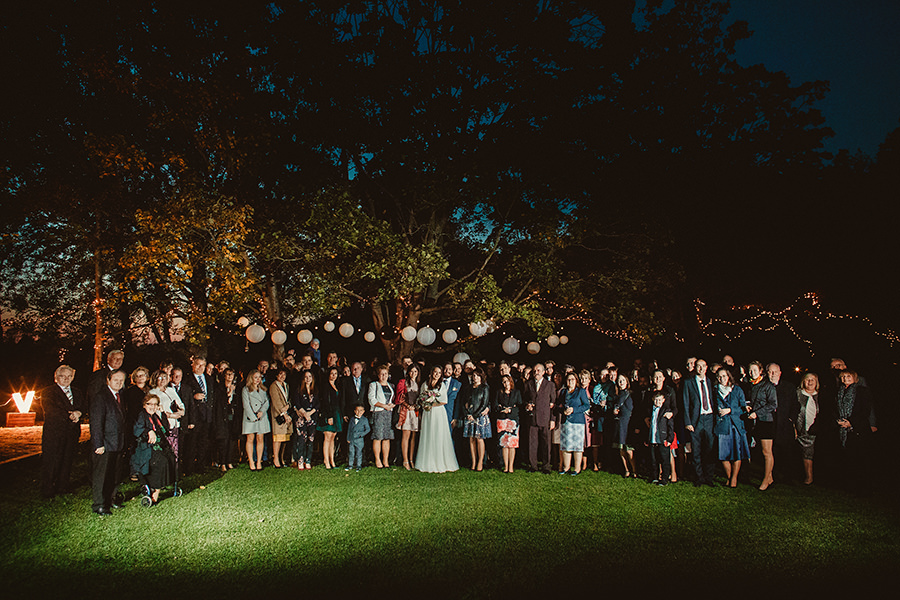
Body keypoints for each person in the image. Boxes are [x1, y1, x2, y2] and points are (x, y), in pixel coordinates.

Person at [41, 365, 85, 498]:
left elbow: (83, 406)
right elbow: (50, 410)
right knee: (52, 461)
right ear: (56, 377)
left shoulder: (77, 392)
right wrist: (70, 415)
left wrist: (79, 413)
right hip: (54, 433)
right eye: (62, 376)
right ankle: (48, 489)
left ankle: (63, 486)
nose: (66, 379)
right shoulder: (48, 392)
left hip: (72, 433)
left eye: (69, 376)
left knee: (67, 460)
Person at [90, 369, 127, 516]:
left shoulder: (120, 396)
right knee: (102, 475)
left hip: (117, 442)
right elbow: (96, 422)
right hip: (105, 443)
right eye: (116, 380)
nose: (118, 383)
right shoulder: (101, 397)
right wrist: (98, 444)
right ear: (108, 380)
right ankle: (99, 504)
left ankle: (111, 499)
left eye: (121, 380)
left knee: (114, 474)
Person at [131, 394, 174, 505]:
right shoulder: (142, 415)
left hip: (157, 446)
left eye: (155, 404)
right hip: (145, 447)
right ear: (144, 405)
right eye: (149, 404)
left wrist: (162, 412)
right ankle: (156, 491)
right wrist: (149, 431)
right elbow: (137, 430)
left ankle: (160, 487)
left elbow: (165, 429)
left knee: (170, 457)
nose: (152, 406)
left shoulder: (155, 416)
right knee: (161, 461)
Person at [415, 365, 459, 473]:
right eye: (435, 372)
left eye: (439, 373)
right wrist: (425, 403)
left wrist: (431, 404)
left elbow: (444, 401)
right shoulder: (425, 384)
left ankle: (440, 461)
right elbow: (421, 398)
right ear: (431, 373)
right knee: (428, 434)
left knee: (438, 435)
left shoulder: (441, 385)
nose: (437, 374)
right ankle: (427, 461)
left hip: (438, 413)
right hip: (427, 413)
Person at [682, 358, 716, 487]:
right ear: (695, 368)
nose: (701, 368)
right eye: (698, 366)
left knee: (710, 449)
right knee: (696, 450)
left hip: (709, 418)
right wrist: (688, 422)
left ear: (706, 368)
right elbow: (685, 403)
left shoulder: (710, 381)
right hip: (696, 420)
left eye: (703, 366)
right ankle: (699, 477)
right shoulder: (688, 382)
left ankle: (709, 477)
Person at [714, 368, 750, 488]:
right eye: (719, 376)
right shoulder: (715, 391)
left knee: (737, 454)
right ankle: (729, 476)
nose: (722, 379)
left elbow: (743, 408)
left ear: (729, 376)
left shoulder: (737, 390)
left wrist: (730, 410)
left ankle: (734, 478)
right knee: (723, 455)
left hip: (736, 426)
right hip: (722, 425)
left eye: (724, 376)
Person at [747, 360, 777, 490]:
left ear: (760, 371)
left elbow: (773, 404)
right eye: (750, 370)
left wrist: (757, 413)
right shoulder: (751, 385)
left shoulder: (768, 386)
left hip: (765, 421)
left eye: (755, 370)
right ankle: (769, 477)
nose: (752, 372)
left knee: (767, 452)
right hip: (754, 421)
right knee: (759, 450)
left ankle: (766, 480)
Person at [184, 357, 215, 474]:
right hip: (194, 416)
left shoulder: (209, 379)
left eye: (203, 365)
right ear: (193, 365)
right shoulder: (187, 379)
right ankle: (189, 468)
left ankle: (201, 467)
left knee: (203, 443)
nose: (200, 367)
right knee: (191, 443)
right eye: (198, 364)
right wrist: (193, 396)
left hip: (207, 416)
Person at [524, 362, 556, 473]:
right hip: (532, 418)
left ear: (543, 372)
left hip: (545, 418)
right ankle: (533, 465)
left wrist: (552, 419)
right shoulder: (528, 384)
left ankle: (546, 466)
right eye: (534, 371)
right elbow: (525, 399)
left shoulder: (550, 385)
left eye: (538, 370)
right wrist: (527, 406)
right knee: (532, 443)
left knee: (546, 444)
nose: (536, 372)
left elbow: (553, 404)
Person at [148, 370, 184, 462]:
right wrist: (172, 415)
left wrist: (180, 412)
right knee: (166, 452)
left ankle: (175, 469)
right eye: (160, 378)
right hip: (164, 426)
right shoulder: (152, 393)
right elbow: (156, 411)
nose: (162, 380)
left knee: (175, 452)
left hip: (175, 425)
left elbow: (180, 404)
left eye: (164, 377)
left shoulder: (171, 390)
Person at [559, 372, 590, 476]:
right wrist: (563, 410)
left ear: (576, 380)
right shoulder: (563, 392)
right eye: (568, 379)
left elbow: (586, 405)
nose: (570, 381)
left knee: (577, 447)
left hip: (577, 422)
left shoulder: (580, 391)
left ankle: (577, 468)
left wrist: (574, 409)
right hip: (566, 422)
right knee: (566, 446)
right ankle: (566, 467)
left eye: (572, 379)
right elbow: (559, 405)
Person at [793, 372, 820, 485]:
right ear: (803, 382)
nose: (810, 382)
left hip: (816, 430)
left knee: (812, 453)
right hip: (801, 430)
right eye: (807, 379)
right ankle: (807, 477)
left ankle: (813, 477)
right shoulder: (798, 394)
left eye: (813, 379)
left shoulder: (821, 396)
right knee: (804, 453)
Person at [463, 368, 491, 471]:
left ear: (481, 376)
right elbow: (465, 402)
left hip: (479, 417)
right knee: (471, 439)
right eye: (474, 375)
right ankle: (473, 462)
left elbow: (484, 403)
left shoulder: (485, 388)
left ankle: (480, 462)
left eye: (477, 375)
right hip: (470, 416)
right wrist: (468, 413)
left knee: (479, 439)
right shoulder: (468, 388)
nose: (475, 377)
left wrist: (475, 415)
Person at [241, 369, 270, 472]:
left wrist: (262, 411)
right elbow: (246, 405)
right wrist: (253, 417)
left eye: (259, 377)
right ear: (251, 378)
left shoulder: (263, 389)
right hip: (250, 418)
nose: (258, 379)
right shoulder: (246, 389)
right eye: (255, 377)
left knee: (260, 438)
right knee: (250, 438)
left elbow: (266, 402)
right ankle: (251, 461)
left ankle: (259, 462)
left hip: (261, 417)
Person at [368, 364, 395, 469]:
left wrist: (391, 405)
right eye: (382, 374)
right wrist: (384, 406)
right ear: (378, 375)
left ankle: (385, 460)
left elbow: (392, 399)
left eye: (385, 374)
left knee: (387, 437)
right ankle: (377, 459)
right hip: (378, 413)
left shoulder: (391, 386)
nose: (384, 376)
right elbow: (372, 400)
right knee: (378, 436)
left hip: (388, 413)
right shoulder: (374, 385)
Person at [494, 374, 522, 473]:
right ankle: (506, 466)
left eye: (507, 381)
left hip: (513, 420)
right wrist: (502, 409)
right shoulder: (499, 392)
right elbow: (495, 405)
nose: (505, 384)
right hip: (502, 420)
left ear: (511, 381)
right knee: (504, 444)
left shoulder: (516, 392)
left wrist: (510, 410)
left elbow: (519, 406)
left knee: (512, 444)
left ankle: (511, 467)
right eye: (504, 382)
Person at [293, 369, 320, 470]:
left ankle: (308, 460)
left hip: (312, 417)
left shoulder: (315, 390)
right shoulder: (299, 390)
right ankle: (300, 460)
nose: (308, 379)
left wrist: (310, 413)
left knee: (311, 439)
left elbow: (318, 404)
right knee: (301, 439)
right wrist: (304, 414)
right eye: (306, 377)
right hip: (301, 418)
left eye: (310, 377)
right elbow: (297, 403)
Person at [213, 367, 240, 470]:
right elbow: (219, 403)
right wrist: (228, 393)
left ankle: (229, 461)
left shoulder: (235, 388)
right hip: (221, 417)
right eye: (228, 374)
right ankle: (222, 462)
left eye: (232, 374)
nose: (230, 377)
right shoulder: (219, 389)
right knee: (223, 441)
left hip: (232, 418)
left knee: (231, 440)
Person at [396, 364, 421, 470]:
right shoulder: (403, 382)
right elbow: (399, 398)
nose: (413, 374)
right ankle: (405, 460)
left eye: (415, 371)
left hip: (415, 412)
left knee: (413, 437)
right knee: (406, 436)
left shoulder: (419, 384)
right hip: (406, 411)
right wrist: (407, 406)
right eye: (411, 371)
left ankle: (411, 459)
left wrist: (415, 406)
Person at [318, 366, 343, 470]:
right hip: (328, 413)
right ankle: (326, 460)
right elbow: (325, 402)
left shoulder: (337, 385)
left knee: (333, 437)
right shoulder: (326, 386)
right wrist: (329, 416)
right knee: (327, 437)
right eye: (332, 373)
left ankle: (332, 460)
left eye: (335, 374)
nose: (333, 376)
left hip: (336, 412)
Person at [647, 391, 675, 485]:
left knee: (664, 460)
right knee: (653, 460)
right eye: (656, 399)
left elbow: (670, 426)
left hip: (663, 439)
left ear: (663, 400)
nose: (657, 402)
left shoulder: (666, 411)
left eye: (659, 400)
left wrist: (670, 439)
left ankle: (664, 479)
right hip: (653, 438)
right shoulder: (650, 410)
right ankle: (655, 477)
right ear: (653, 399)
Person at [612, 374, 637, 478]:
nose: (621, 382)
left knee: (629, 449)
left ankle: (634, 470)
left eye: (623, 380)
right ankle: (626, 470)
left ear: (627, 381)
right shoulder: (617, 395)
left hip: (629, 423)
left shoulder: (632, 394)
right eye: (619, 381)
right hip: (619, 423)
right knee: (621, 449)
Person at [268, 368, 292, 468]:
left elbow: (289, 399)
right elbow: (276, 402)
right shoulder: (274, 386)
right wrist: (284, 414)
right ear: (276, 375)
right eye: (280, 374)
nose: (282, 376)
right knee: (278, 437)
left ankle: (281, 458)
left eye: (284, 374)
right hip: (278, 415)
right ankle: (276, 459)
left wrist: (288, 406)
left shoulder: (286, 385)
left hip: (286, 413)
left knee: (285, 437)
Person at [345, 405, 370, 471]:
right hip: (352, 438)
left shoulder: (364, 419)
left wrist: (361, 435)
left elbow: (368, 429)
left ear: (363, 411)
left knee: (359, 453)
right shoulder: (352, 419)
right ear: (355, 411)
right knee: (351, 452)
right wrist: (348, 438)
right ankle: (350, 465)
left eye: (361, 410)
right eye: (357, 410)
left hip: (359, 439)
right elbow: (349, 429)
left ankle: (359, 465)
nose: (359, 412)